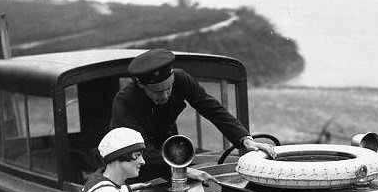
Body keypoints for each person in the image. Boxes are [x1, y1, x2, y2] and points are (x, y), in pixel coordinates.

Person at [110, 48, 276, 183]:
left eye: (169, 89)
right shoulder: (124, 101)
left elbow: (211, 108)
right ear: (140, 84)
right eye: (157, 92)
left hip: (170, 151)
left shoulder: (181, 79)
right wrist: (182, 170)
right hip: (133, 165)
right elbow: (137, 149)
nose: (165, 96)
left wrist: (245, 139)